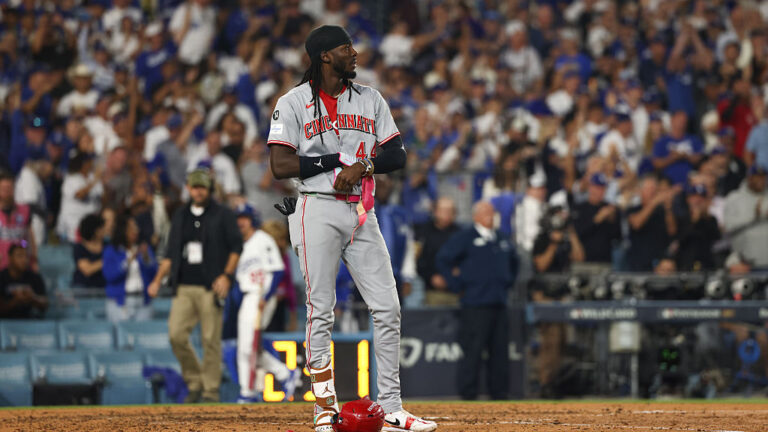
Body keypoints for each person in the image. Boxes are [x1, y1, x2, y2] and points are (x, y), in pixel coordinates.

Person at [267, 26, 436, 432]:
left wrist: (364, 165)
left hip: (361, 210)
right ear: (325, 56)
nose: (354, 52)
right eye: (346, 47)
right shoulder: (292, 103)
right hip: (315, 208)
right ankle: (325, 408)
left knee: (388, 306)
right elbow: (281, 165)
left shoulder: (370, 98)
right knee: (320, 310)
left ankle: (392, 407)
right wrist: (334, 161)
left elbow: (396, 152)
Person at [147, 168, 243, 403]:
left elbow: (236, 247)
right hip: (184, 285)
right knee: (176, 335)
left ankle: (210, 390)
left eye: (202, 187)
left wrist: (227, 276)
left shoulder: (223, 214)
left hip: (211, 285)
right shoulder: (180, 215)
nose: (198, 191)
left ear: (209, 189)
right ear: (188, 188)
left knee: (211, 339)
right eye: (194, 187)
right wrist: (157, 279)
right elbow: (171, 253)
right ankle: (195, 381)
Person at [435, 201, 518, 400]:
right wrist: (456, 285)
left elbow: (514, 263)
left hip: (499, 303)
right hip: (475, 304)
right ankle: (468, 393)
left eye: (491, 212)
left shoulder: (502, 239)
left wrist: (506, 282)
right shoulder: (465, 237)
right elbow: (443, 259)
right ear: (475, 216)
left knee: (499, 352)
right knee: (472, 351)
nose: (490, 215)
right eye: (485, 212)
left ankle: (499, 393)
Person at [233, 204, 301, 403]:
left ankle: (248, 391)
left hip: (261, 295)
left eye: (244, 217)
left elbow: (278, 271)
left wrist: (266, 296)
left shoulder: (263, 240)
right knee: (248, 346)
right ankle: (281, 375)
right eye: (238, 218)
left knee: (247, 346)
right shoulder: (239, 244)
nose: (240, 222)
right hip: (248, 295)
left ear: (252, 220)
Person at [102, 214, 157, 323]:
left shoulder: (144, 249)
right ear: (123, 230)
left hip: (142, 301)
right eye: (132, 228)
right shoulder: (112, 251)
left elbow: (154, 273)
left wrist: (146, 259)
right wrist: (127, 261)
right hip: (120, 302)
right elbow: (109, 276)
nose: (136, 230)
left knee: (142, 335)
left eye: (136, 227)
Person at [625, 176, 680, 272]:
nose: (652, 192)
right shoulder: (633, 210)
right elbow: (636, 224)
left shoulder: (662, 212)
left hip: (660, 264)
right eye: (649, 189)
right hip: (639, 263)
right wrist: (654, 202)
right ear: (640, 191)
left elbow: (672, 231)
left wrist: (668, 208)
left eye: (655, 189)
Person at [414, 197, 459, 306]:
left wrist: (460, 272)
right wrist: (431, 277)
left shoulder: (461, 234)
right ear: (435, 211)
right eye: (443, 210)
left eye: (450, 211)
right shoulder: (423, 233)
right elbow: (417, 259)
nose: (447, 214)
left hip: (458, 290)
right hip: (432, 291)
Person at [723, 166, 768, 268]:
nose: (761, 180)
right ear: (749, 178)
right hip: (744, 264)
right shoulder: (734, 198)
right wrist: (753, 216)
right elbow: (728, 227)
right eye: (757, 177)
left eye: (763, 177)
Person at [572, 173, 621, 264]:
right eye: (597, 188)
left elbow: (617, 237)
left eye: (603, 188)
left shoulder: (609, 208)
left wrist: (613, 220)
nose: (600, 191)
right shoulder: (579, 208)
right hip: (584, 260)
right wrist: (597, 219)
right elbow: (578, 232)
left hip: (605, 261)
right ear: (590, 188)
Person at [56, 152, 104, 243]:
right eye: (89, 161)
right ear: (84, 164)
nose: (92, 163)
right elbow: (79, 195)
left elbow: (102, 197)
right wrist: (94, 181)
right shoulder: (71, 179)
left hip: (90, 228)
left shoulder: (93, 178)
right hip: (72, 228)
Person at [0, 244, 48, 319]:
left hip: (30, 322)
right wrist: (15, 301)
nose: (24, 260)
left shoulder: (35, 277)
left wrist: (32, 298)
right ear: (10, 258)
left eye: (26, 256)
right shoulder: (2, 277)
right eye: (19, 256)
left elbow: (45, 304)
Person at [0, 171, 36, 270]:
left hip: (21, 267)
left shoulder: (24, 211)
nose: (7, 192)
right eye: (3, 189)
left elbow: (28, 238)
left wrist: (33, 259)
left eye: (9, 188)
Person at [72, 214, 107, 289]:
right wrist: (108, 260)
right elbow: (87, 270)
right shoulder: (79, 248)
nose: (104, 230)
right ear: (95, 231)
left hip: (103, 286)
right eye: (101, 228)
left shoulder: (108, 245)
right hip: (83, 288)